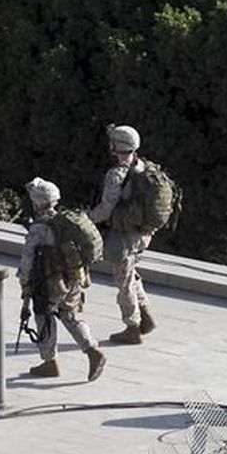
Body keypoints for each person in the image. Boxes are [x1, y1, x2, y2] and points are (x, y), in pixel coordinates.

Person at [18, 177, 107, 381]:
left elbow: (27, 260)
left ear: (37, 203)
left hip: (50, 282)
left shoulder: (39, 229)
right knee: (71, 315)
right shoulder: (67, 222)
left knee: (44, 317)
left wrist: (25, 283)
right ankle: (93, 351)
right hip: (74, 278)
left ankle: (50, 362)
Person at [87, 124, 155, 345]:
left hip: (125, 236)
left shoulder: (116, 175)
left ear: (117, 146)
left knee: (123, 280)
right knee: (130, 272)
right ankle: (145, 315)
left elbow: (106, 209)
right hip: (143, 233)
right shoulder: (143, 167)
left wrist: (87, 218)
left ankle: (132, 326)